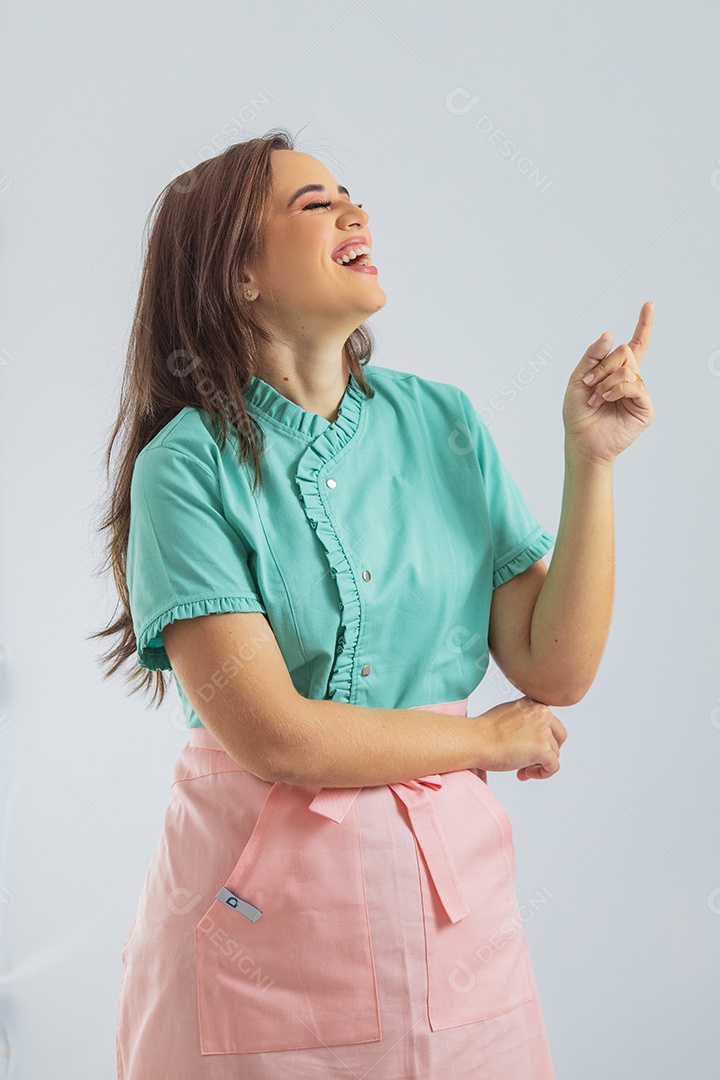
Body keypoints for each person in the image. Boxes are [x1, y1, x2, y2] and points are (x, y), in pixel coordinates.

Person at [92, 127, 655, 1079]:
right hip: (253, 906)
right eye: (314, 204)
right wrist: (488, 741)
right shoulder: (183, 469)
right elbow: (277, 738)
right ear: (239, 274)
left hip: (450, 907)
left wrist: (590, 462)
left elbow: (553, 667)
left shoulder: (442, 422)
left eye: (350, 194)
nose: (355, 211)